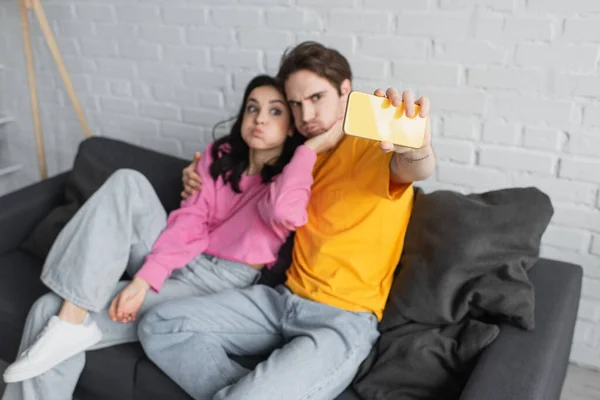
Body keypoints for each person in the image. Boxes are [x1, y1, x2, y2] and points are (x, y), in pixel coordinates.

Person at [137, 41, 437, 400]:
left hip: (341, 318)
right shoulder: (295, 156)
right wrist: (195, 176)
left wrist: (417, 147)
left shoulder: (374, 147)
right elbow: (259, 200)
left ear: (346, 91)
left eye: (316, 98)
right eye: (295, 104)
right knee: (159, 324)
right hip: (281, 301)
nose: (305, 114)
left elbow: (416, 168)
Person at [2, 75, 315, 400]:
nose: (260, 118)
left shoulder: (290, 180)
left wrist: (309, 149)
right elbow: (189, 223)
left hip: (217, 284)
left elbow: (285, 211)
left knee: (46, 309)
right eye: (253, 108)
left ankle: (67, 322)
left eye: (276, 111)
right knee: (128, 182)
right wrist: (145, 279)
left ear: (292, 125)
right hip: (180, 254)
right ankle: (70, 318)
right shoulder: (219, 155)